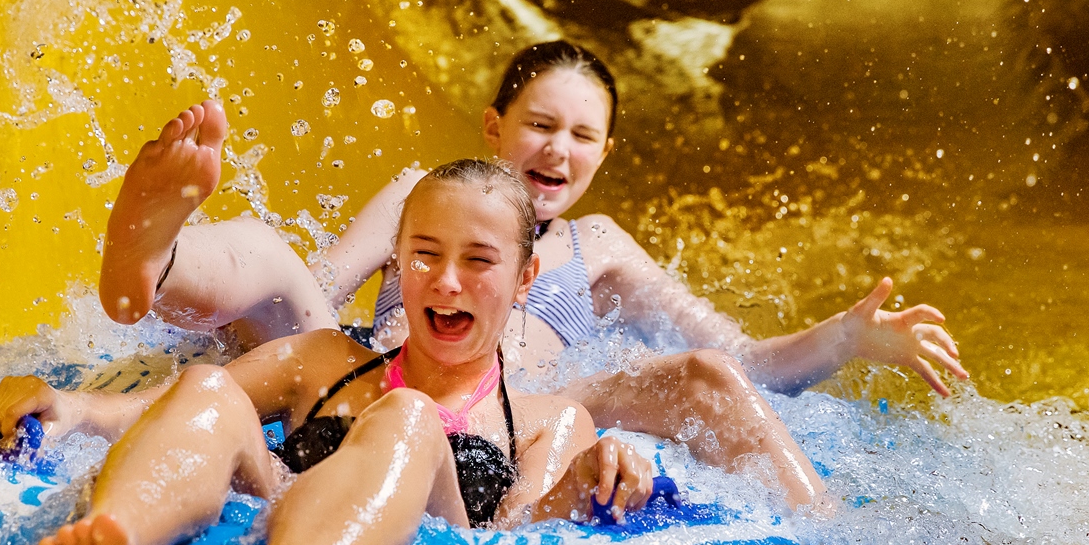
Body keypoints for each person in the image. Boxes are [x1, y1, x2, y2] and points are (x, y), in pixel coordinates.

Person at [0, 160, 826, 545]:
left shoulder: (550, 420)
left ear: (526, 277)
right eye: (423, 254)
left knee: (408, 422)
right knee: (214, 384)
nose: (447, 280)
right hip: (284, 503)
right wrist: (72, 409)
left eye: (478, 260)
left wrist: (591, 478)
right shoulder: (323, 360)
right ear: (397, 264)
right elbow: (181, 407)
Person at [95, 43, 966, 501]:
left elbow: (752, 363)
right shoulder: (422, 195)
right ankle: (157, 258)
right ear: (494, 125)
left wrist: (849, 337)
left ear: (604, 153)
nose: (558, 148)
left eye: (582, 135)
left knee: (696, 376)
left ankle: (822, 531)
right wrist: (275, 343)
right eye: (540, 124)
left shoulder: (602, 249)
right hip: (376, 372)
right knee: (273, 260)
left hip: (508, 415)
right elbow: (317, 284)